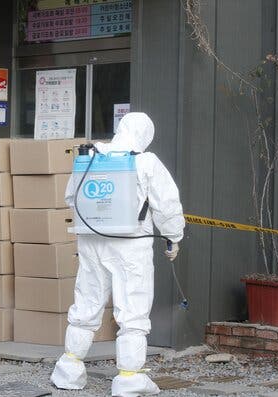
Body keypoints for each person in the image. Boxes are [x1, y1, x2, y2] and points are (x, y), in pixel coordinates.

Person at [51, 112, 185, 396]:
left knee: (86, 303)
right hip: (130, 244)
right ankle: (129, 378)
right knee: (133, 308)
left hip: (91, 241)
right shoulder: (146, 161)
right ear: (145, 134)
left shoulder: (92, 156)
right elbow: (167, 203)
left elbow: (71, 197)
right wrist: (173, 237)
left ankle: (69, 369)